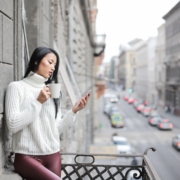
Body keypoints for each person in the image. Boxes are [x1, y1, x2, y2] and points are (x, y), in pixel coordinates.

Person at [5, 47, 91, 180]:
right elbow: (12, 125)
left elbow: (55, 129)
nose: (53, 68)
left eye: (55, 65)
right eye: (50, 62)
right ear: (36, 61)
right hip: (26, 157)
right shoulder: (16, 87)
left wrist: (74, 111)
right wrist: (38, 102)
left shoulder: (53, 91)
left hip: (53, 155)